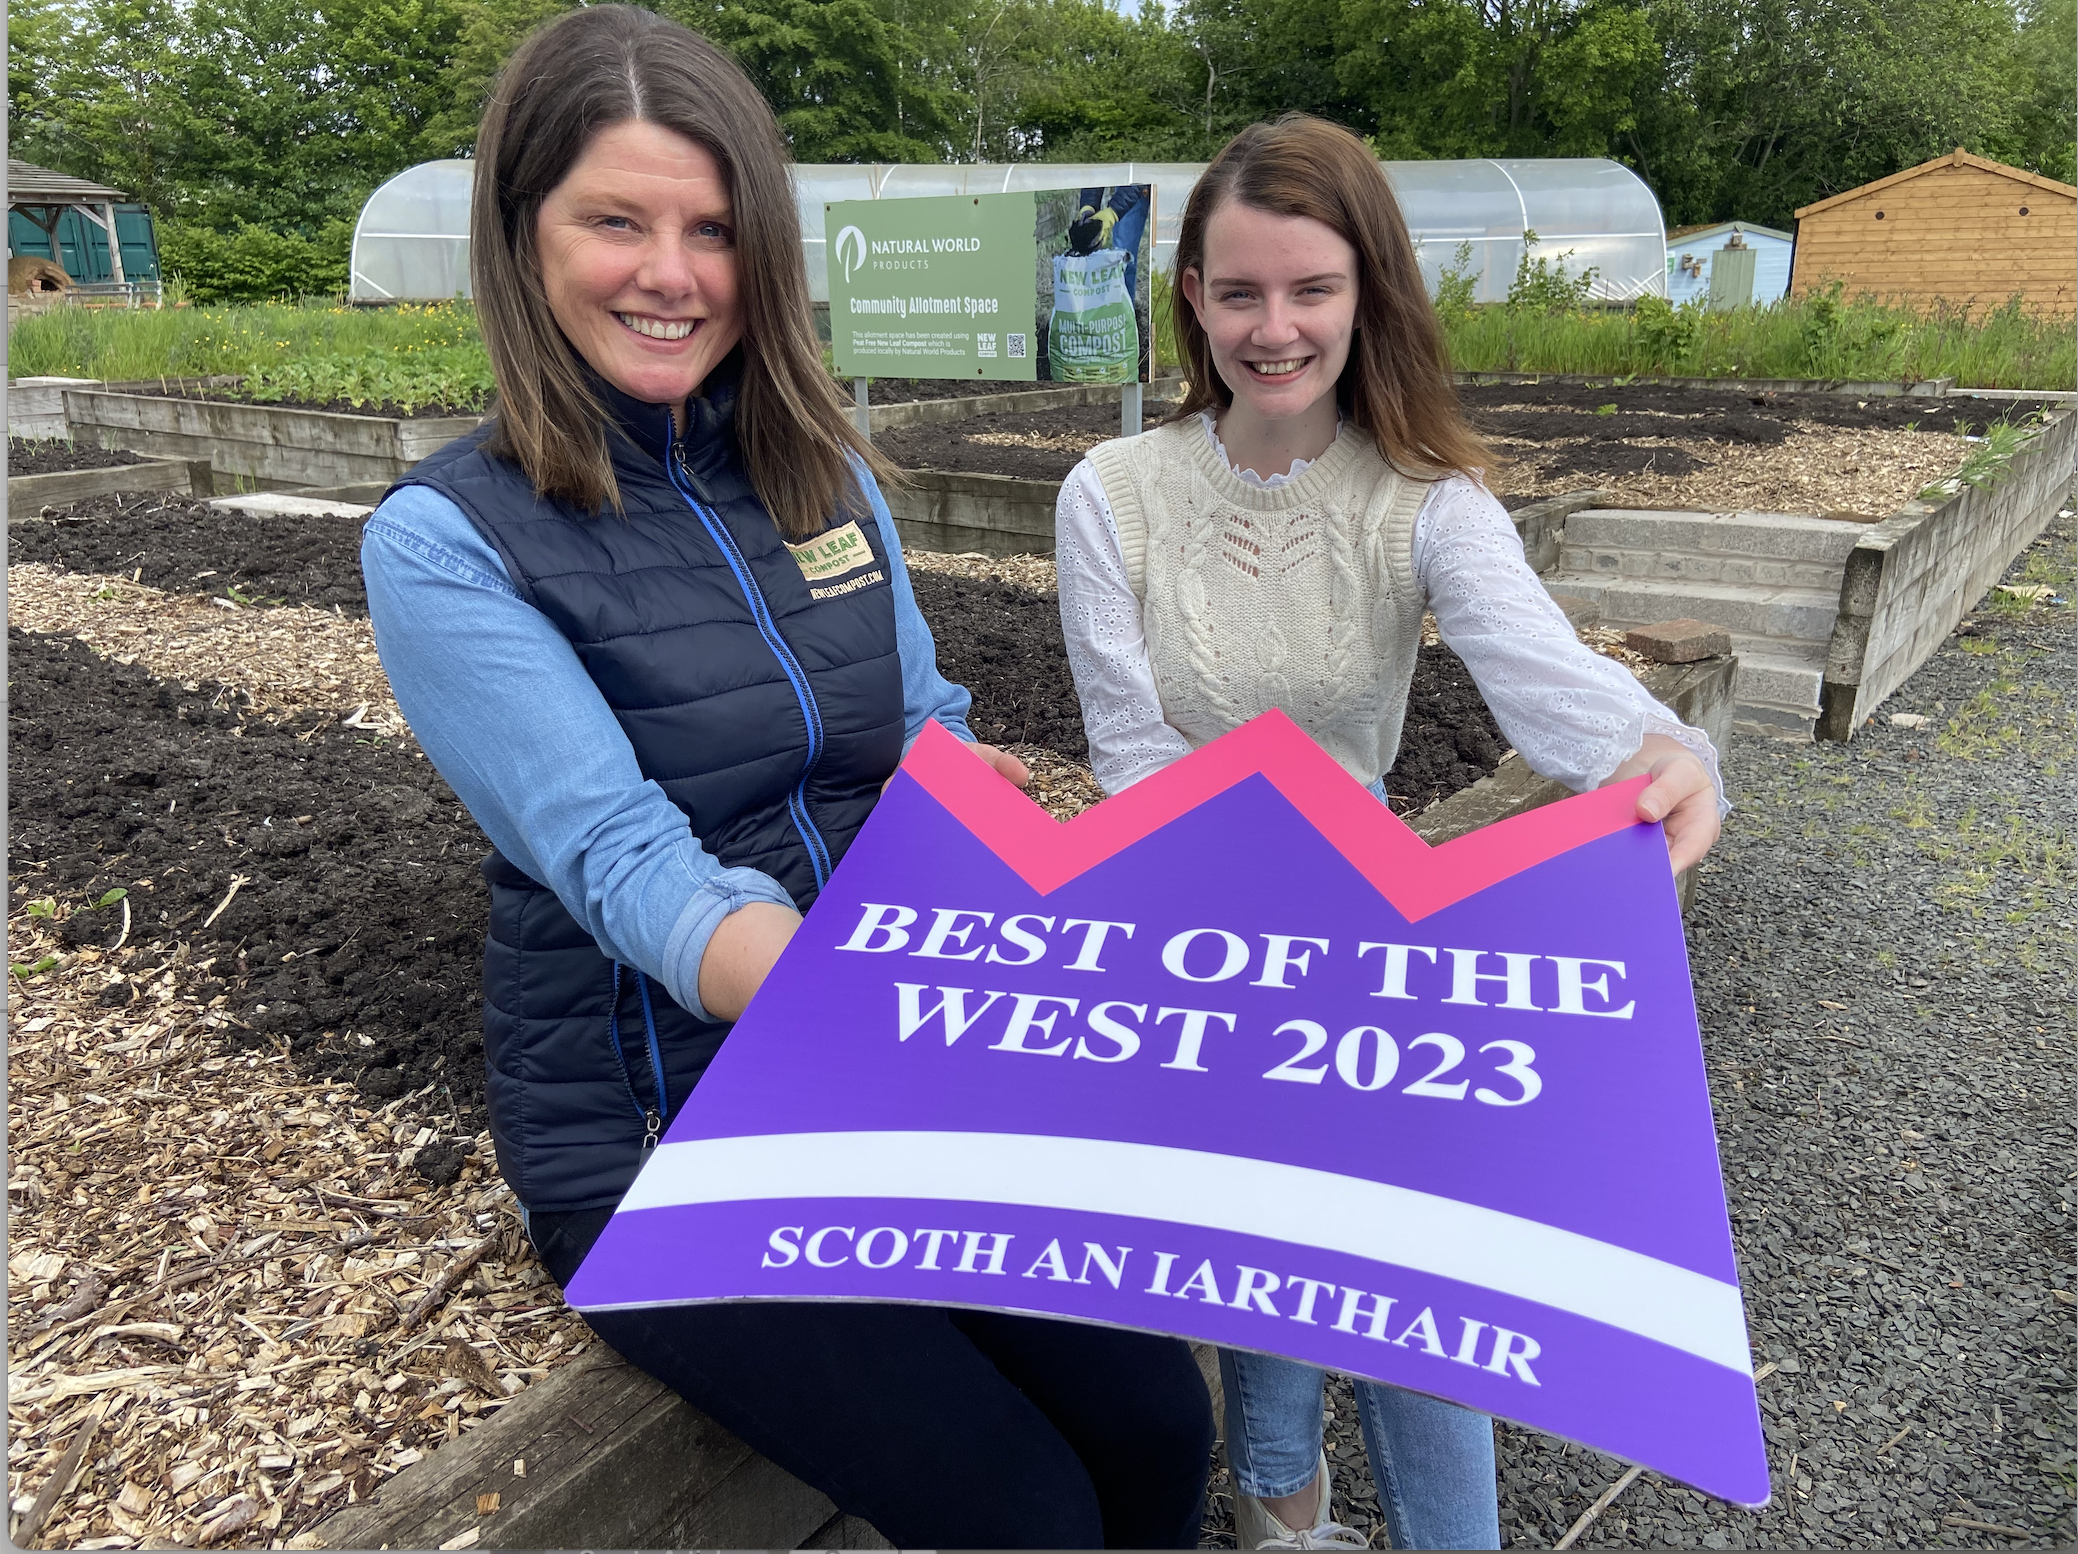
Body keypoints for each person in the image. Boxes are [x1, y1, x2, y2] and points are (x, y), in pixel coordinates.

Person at [359, 8, 1213, 1546]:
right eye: (615, 220)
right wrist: (887, 998)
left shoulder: (820, 474)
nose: (670, 273)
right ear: (520, 239)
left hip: (878, 1054)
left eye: (711, 226)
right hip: (656, 1133)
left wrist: (1073, 899)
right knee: (1017, 1505)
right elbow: (629, 864)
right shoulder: (447, 540)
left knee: (1153, 1425)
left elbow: (930, 731)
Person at [1053, 114, 1728, 1552]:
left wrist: (1666, 752)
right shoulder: (1110, 498)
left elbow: (1545, 679)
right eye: (1238, 291)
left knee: (1420, 1286)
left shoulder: (1424, 500)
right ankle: (1279, 1508)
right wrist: (1234, 923)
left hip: (1368, 926)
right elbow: (1131, 763)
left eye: (1311, 289)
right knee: (1266, 1259)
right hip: (1195, 925)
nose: (1274, 326)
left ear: (1367, 294)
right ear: (1190, 296)